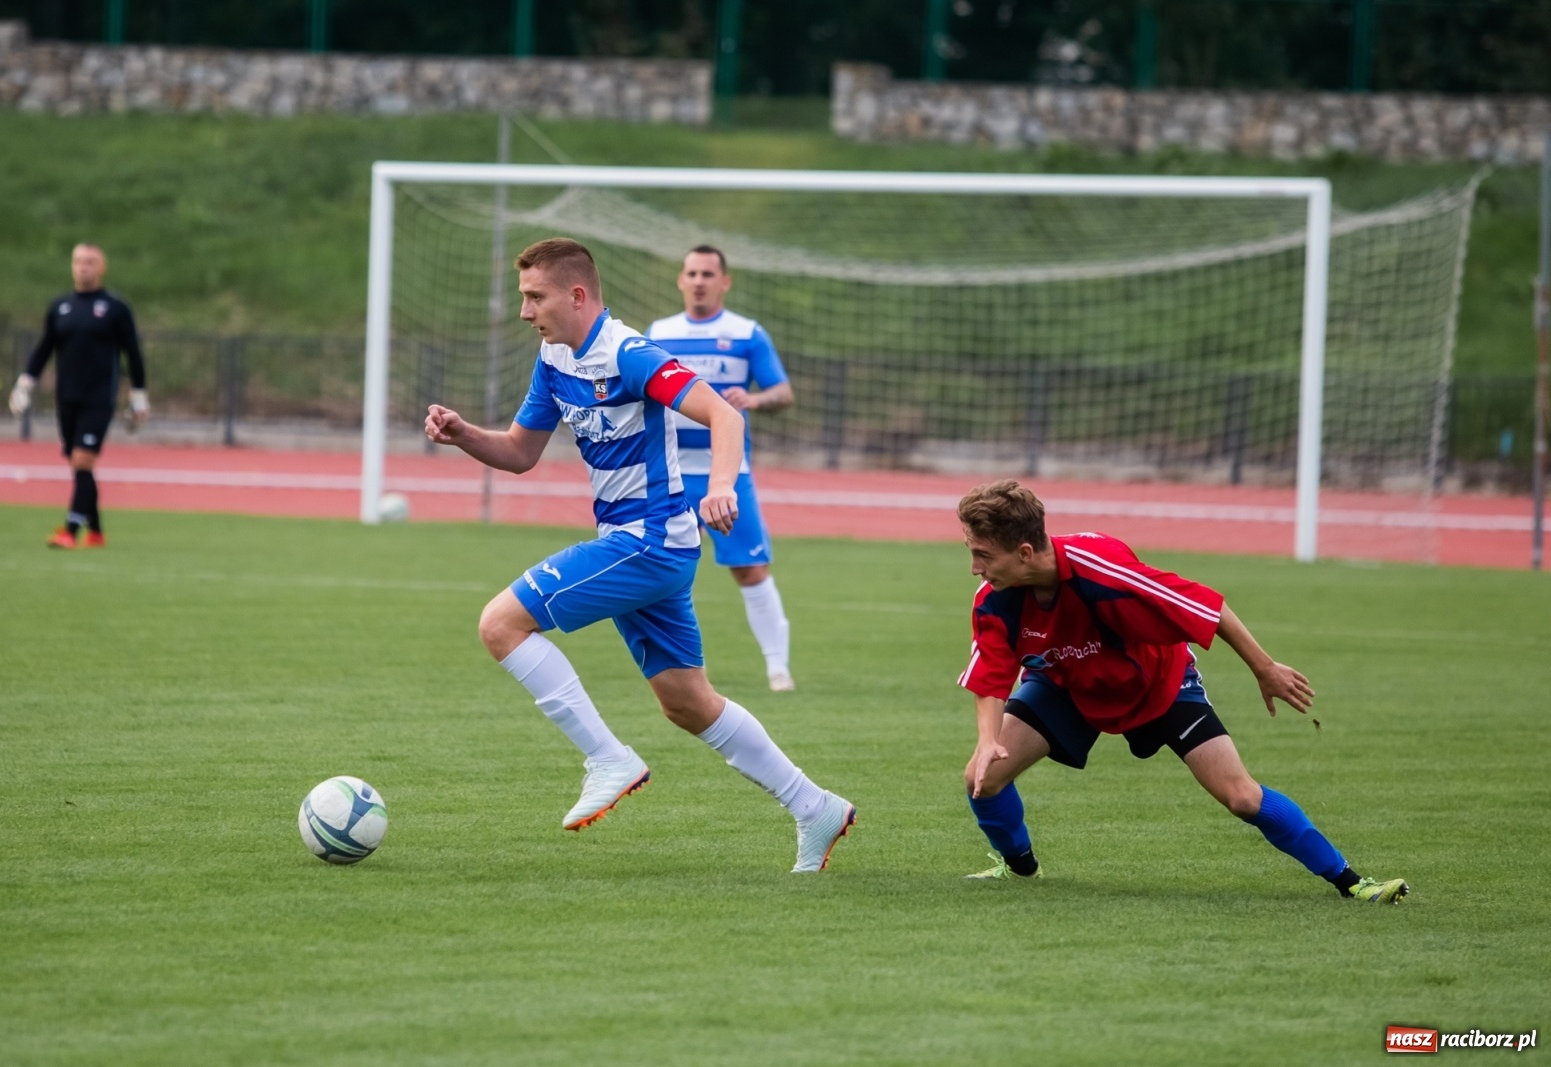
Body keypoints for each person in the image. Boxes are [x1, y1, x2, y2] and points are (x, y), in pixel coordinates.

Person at [424, 238, 854, 873]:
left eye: (534, 297)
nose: (525, 311)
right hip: (634, 543)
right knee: (688, 704)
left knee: (501, 623)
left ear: (577, 295)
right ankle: (814, 806)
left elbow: (725, 420)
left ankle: (608, 759)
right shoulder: (554, 355)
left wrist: (720, 489)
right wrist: (464, 435)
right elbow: (519, 452)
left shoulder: (630, 353)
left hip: (650, 540)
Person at [953, 479, 1410, 904]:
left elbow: (1206, 605)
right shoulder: (994, 598)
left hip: (1159, 685)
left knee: (1241, 797)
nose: (975, 568)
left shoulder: (1103, 568)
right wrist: (988, 740)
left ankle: (1353, 884)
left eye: (983, 555)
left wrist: (1264, 667)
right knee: (982, 778)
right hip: (1066, 684)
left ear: (1026, 551)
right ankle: (1020, 870)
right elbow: (991, 676)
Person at [647, 247, 796, 692]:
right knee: (652, 567)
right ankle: (664, 665)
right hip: (667, 475)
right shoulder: (658, 332)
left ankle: (777, 668)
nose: (698, 281)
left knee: (750, 570)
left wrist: (752, 400)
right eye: (691, 272)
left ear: (724, 281)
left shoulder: (747, 333)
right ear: (680, 280)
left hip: (727, 476)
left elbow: (782, 392)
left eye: (708, 274)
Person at [8, 243, 148, 549]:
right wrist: (25, 383)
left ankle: (70, 531)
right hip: (67, 396)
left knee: (83, 460)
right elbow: (44, 348)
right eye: (79, 261)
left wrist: (138, 396)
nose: (83, 267)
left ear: (102, 268)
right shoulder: (61, 307)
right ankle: (96, 532)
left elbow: (133, 354)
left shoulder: (114, 308)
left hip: (99, 397)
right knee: (77, 463)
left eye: (90, 262)